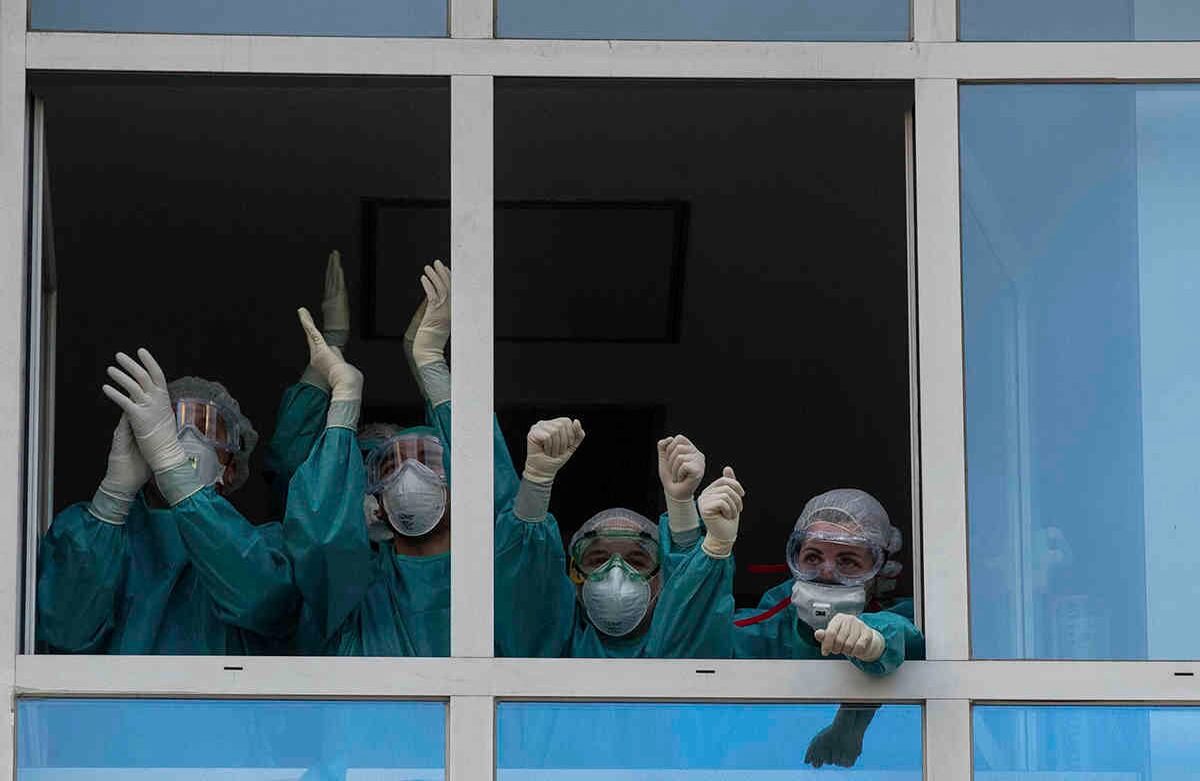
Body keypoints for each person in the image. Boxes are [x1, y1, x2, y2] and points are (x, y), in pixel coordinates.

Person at [277, 257, 542, 656]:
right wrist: (343, 395)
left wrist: (431, 364)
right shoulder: (356, 594)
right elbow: (317, 531)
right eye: (389, 466)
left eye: (428, 461)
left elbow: (502, 508)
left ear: (462, 484)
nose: (410, 476)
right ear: (372, 500)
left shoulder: (492, 583)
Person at [37, 349, 299, 654]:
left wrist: (177, 476)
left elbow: (264, 601)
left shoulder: (265, 548)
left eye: (210, 430)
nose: (188, 439)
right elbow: (65, 631)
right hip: (119, 703)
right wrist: (112, 499)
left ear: (231, 469)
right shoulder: (92, 536)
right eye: (172, 427)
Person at [495, 426, 745, 658]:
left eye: (636, 560)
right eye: (598, 559)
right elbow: (526, 586)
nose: (616, 572)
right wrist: (536, 481)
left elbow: (692, 612)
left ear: (663, 577)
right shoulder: (548, 647)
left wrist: (684, 511)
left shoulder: (694, 645)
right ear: (574, 576)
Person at [733, 488, 924, 674]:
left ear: (879, 570)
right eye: (813, 557)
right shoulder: (764, 631)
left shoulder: (914, 619)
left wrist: (879, 641)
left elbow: (920, 641)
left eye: (847, 561)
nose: (826, 572)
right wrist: (713, 550)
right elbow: (709, 645)